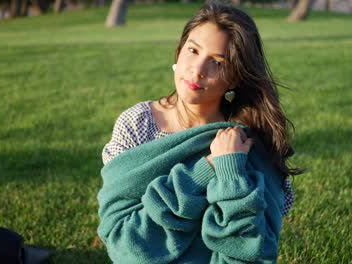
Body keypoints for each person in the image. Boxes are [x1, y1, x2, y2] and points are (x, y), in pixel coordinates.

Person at [97, 3, 301, 263]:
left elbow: (252, 249)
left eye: (217, 62)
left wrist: (230, 171)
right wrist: (206, 169)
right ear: (179, 51)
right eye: (193, 50)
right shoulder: (137, 124)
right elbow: (125, 242)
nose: (198, 69)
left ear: (235, 78)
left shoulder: (248, 143)